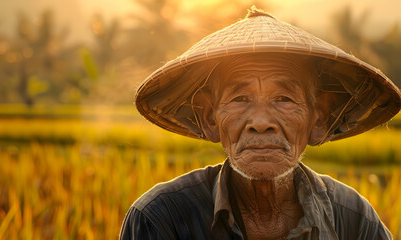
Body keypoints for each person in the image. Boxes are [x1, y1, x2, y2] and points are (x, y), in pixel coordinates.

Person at [120, 7, 401, 240]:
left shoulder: (354, 221)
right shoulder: (160, 219)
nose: (261, 122)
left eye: (284, 99)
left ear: (319, 119)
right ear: (209, 118)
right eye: (240, 98)